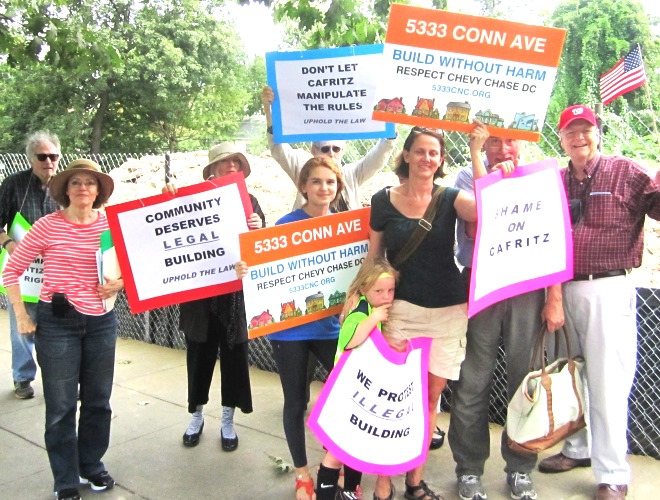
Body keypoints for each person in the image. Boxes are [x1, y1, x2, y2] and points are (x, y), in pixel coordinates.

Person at [363, 123, 511, 500]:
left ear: (441, 159)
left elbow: (486, 211)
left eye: (435, 153)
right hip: (402, 310)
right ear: (407, 155)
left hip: (448, 311)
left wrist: (477, 152)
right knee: (394, 398)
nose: (427, 158)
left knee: (429, 401)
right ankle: (384, 480)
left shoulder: (450, 197)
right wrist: (372, 295)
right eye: (421, 151)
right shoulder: (382, 200)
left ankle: (415, 480)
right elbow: (374, 256)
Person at [536, 105, 660, 500]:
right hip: (560, 290)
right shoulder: (554, 181)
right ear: (560, 139)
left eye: (585, 130)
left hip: (607, 288)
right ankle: (579, 448)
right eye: (570, 132)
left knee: (608, 382)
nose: (579, 138)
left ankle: (613, 473)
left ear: (598, 132)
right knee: (573, 376)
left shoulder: (627, 171)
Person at [447, 132, 564, 500]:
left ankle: (520, 468)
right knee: (472, 381)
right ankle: (468, 469)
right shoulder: (467, 177)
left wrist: (554, 296)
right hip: (483, 286)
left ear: (522, 144)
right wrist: (497, 178)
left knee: (524, 381)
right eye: (493, 142)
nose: (501, 149)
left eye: (509, 142)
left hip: (527, 289)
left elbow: (555, 236)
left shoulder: (540, 178)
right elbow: (478, 222)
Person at [3, 159, 123, 500]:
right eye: (75, 183)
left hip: (101, 321)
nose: (83, 188)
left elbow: (137, 268)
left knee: (99, 401)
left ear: (99, 190)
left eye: (89, 182)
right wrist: (22, 316)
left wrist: (119, 284)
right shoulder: (46, 227)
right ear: (65, 190)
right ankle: (66, 478)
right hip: (58, 325)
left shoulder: (112, 226)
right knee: (61, 406)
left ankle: (91, 465)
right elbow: (11, 271)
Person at [236, 156, 347, 500]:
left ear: (338, 187)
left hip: (331, 329)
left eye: (330, 182)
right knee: (295, 401)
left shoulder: (347, 226)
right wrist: (247, 269)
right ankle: (302, 474)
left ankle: (335, 462)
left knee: (347, 398)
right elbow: (266, 272)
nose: (323, 188)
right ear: (303, 186)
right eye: (316, 181)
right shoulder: (285, 225)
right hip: (290, 332)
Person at [162, 142, 265, 450]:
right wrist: (168, 198)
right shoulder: (191, 198)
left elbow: (261, 253)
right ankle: (195, 415)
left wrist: (259, 229)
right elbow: (168, 227)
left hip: (233, 300)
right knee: (198, 359)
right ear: (212, 170)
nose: (231, 167)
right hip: (199, 299)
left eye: (236, 162)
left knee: (234, 362)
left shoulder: (252, 201)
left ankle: (228, 419)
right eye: (224, 163)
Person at [316, 257, 399, 500]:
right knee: (336, 452)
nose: (386, 296)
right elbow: (350, 341)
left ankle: (350, 492)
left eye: (391, 290)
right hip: (345, 391)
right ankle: (325, 495)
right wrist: (372, 320)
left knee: (354, 446)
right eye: (379, 291)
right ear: (363, 289)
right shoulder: (360, 314)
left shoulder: (372, 309)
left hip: (359, 391)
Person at [261, 85, 397, 211]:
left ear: (342, 151)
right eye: (325, 149)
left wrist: (390, 125)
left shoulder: (351, 175)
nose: (331, 154)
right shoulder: (302, 170)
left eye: (336, 149)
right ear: (314, 151)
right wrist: (270, 110)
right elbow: (279, 149)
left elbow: (379, 156)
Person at [0, 131, 60, 399]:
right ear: (31, 159)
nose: (48, 161)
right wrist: (9, 244)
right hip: (23, 272)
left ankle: (61, 380)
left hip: (57, 272)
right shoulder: (13, 184)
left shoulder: (65, 187)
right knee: (23, 326)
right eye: (42, 156)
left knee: (58, 332)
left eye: (53, 156)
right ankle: (23, 378)